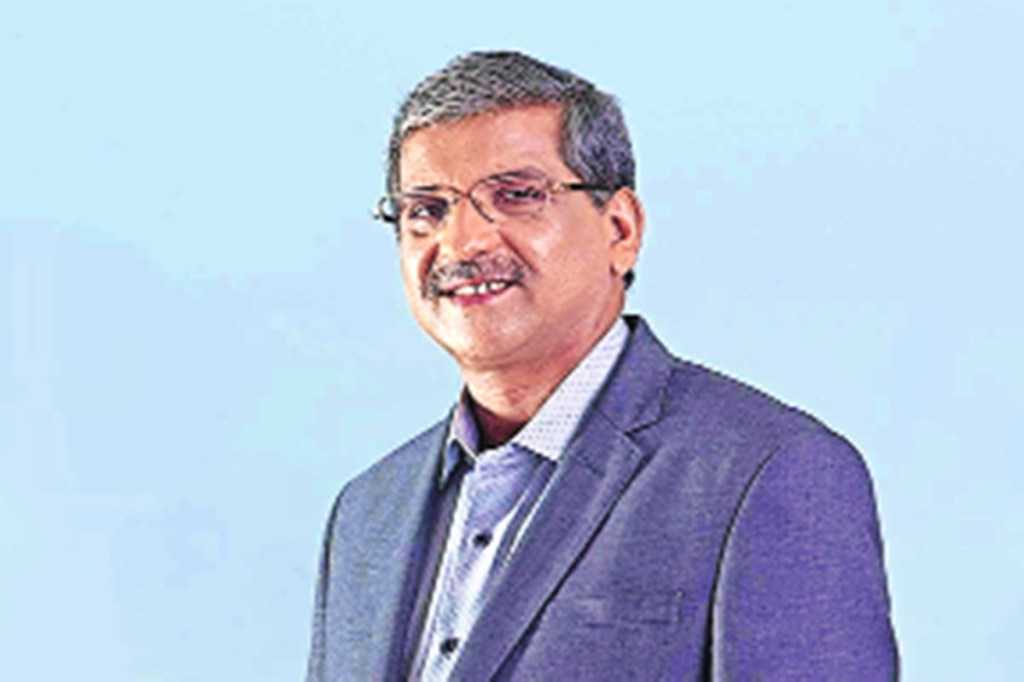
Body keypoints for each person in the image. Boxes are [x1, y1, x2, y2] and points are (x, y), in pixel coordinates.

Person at [306, 51, 898, 681]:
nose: (461, 242)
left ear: (620, 229)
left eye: (515, 196)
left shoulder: (770, 472)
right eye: (426, 209)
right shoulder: (367, 512)